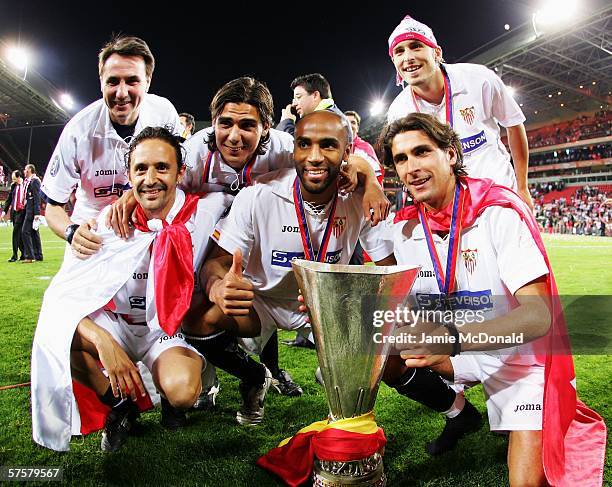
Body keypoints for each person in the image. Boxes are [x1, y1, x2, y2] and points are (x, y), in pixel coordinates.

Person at [379, 113, 606, 486]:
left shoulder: (498, 212)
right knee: (383, 353)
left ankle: (516, 415)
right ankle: (459, 413)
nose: (411, 167)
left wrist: (450, 338)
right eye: (401, 159)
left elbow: (537, 317)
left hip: (520, 361)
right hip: (458, 353)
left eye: (421, 152)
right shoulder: (405, 228)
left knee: (529, 481)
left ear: (451, 154)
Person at [31, 127, 231, 452]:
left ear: (181, 172)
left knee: (182, 390)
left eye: (161, 167)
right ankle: (121, 408)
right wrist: (102, 340)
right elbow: (60, 301)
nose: (150, 178)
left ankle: (172, 397)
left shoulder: (205, 212)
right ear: (128, 175)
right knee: (57, 337)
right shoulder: (111, 219)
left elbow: (245, 180)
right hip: (117, 323)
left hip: (164, 329)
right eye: (140, 169)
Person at [194, 110, 395, 425]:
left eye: (328, 146)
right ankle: (254, 375)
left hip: (324, 303)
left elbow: (389, 272)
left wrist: (361, 315)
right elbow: (216, 263)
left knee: (376, 327)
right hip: (261, 301)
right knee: (198, 318)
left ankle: (337, 380)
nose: (314, 157)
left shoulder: (360, 198)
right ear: (294, 150)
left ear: (348, 153)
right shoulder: (260, 194)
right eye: (305, 145)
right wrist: (218, 286)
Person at [40, 35, 182, 259]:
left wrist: (134, 194)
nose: (122, 93)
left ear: (148, 81)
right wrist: (72, 232)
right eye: (113, 81)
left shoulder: (164, 114)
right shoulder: (78, 130)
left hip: (147, 233)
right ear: (101, 81)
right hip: (94, 238)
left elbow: (180, 176)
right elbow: (53, 206)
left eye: (132, 81)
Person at [386, 15, 533, 209]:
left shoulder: (480, 79)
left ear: (436, 53)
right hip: (448, 206)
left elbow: (514, 125)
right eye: (399, 51)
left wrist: (522, 187)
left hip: (497, 193)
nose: (408, 57)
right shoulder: (399, 110)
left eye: (416, 46)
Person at [22, 164, 43, 262]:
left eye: (25, 169)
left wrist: (37, 213)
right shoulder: (30, 181)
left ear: (30, 170)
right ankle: (38, 255)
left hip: (32, 211)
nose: (24, 171)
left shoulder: (35, 181)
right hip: (29, 209)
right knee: (34, 233)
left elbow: (37, 197)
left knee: (25, 232)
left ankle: (29, 256)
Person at [2, 170, 25, 261]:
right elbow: (9, 199)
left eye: (14, 178)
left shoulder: (26, 185)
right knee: (18, 234)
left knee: (16, 233)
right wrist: (4, 212)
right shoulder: (13, 186)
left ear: (19, 177)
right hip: (14, 212)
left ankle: (14, 256)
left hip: (22, 212)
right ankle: (23, 253)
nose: (13, 180)